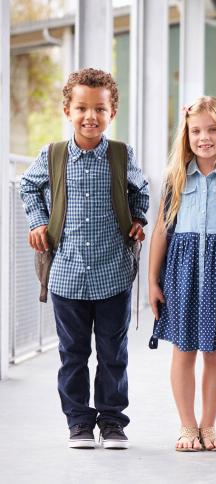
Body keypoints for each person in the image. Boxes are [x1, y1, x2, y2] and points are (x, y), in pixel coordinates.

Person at [19, 68, 149, 449]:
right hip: (66, 274)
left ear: (113, 113)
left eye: (99, 109)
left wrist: (140, 219)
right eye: (81, 108)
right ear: (67, 110)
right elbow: (28, 186)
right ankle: (78, 422)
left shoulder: (122, 155)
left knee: (113, 354)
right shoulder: (53, 155)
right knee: (72, 354)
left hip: (113, 271)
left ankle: (112, 422)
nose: (90, 116)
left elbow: (141, 191)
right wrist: (38, 222)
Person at [148, 96, 216, 451]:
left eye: (212, 130)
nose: (204, 137)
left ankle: (208, 426)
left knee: (215, 352)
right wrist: (152, 281)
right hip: (181, 274)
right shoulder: (175, 179)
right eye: (196, 131)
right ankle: (186, 426)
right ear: (187, 135)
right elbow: (162, 232)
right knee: (183, 350)